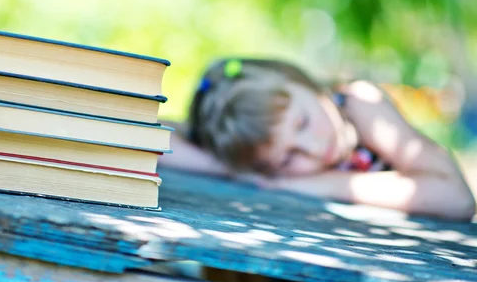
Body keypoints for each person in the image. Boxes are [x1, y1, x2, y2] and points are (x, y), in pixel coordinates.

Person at [159, 58, 476, 221]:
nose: (313, 149)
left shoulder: (359, 103)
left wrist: (306, 183)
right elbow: (150, 134)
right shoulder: (263, 166)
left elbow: (457, 198)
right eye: (287, 158)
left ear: (304, 82)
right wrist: (235, 168)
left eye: (302, 122)